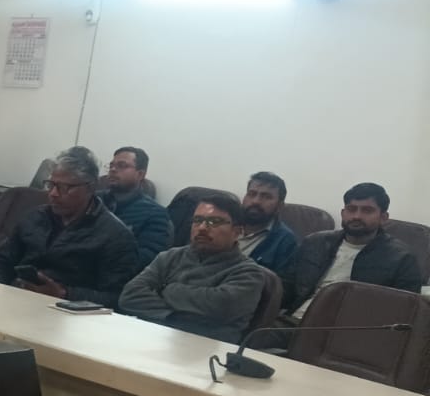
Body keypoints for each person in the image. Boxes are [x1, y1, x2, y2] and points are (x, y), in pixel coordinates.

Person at [0, 146, 140, 308]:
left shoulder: (115, 236)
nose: (53, 194)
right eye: (51, 185)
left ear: (90, 187)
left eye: (65, 187)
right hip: (14, 301)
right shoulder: (35, 217)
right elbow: (1, 263)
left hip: (68, 313)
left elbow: (116, 298)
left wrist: (64, 294)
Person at [118, 192, 266, 343]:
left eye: (214, 221)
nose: (202, 228)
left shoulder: (248, 272)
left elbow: (220, 307)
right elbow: (129, 296)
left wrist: (167, 289)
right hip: (154, 338)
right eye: (197, 220)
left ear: (237, 232)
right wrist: (174, 317)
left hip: (209, 350)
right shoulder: (170, 257)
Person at [281, 182, 422, 322]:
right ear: (343, 213)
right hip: (295, 320)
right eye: (351, 209)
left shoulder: (402, 258)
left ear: (383, 218)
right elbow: (287, 286)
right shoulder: (314, 243)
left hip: (349, 329)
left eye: (367, 210)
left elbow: (404, 312)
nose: (357, 216)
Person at [101, 146, 172, 265]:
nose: (113, 169)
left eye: (121, 165)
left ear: (140, 174)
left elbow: (146, 259)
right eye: (111, 165)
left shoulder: (155, 214)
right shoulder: (94, 200)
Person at [237, 171, 300, 274]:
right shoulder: (226, 223)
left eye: (266, 197)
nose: (256, 201)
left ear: (280, 206)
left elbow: (280, 282)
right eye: (252, 194)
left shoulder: (285, 241)